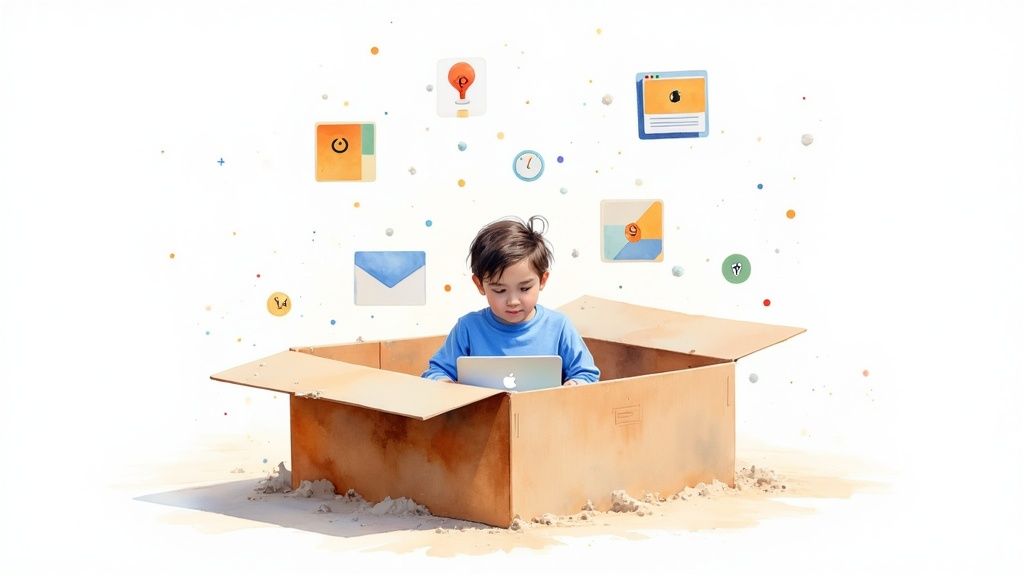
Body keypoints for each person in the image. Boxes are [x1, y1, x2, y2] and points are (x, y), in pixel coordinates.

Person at [422, 215, 600, 386]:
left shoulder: (558, 326)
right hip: (485, 417)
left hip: (543, 415)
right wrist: (445, 383)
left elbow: (586, 374)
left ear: (542, 280)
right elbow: (435, 372)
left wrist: (575, 384)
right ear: (480, 285)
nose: (513, 301)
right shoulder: (468, 327)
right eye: (499, 290)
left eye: (524, 289)